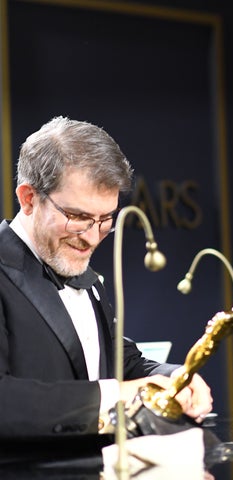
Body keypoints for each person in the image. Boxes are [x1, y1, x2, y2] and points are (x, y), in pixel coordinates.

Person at [0, 116, 213, 439]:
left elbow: (119, 360)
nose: (92, 238)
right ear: (29, 198)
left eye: (105, 219)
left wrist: (174, 378)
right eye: (78, 217)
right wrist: (118, 394)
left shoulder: (86, 277)